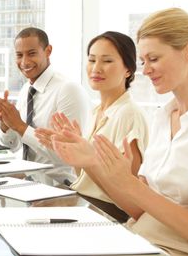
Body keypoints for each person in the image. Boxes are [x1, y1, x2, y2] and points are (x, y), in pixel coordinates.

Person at [53, 8, 188, 255]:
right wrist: (93, 163)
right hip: (141, 237)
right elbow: (139, 211)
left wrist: (130, 184)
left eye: (154, 59)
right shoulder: (163, 116)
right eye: (143, 61)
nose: (145, 71)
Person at [34, 31, 149, 222]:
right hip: (84, 202)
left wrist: (88, 159)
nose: (96, 68)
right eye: (92, 60)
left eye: (107, 61)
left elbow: (129, 193)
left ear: (128, 70)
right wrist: (75, 156)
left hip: (109, 214)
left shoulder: (129, 115)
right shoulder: (97, 112)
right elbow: (85, 179)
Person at [0, 27, 89, 183]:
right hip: (28, 183)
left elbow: (68, 154)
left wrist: (19, 125)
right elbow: (14, 146)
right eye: (19, 55)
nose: (24, 62)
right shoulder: (26, 90)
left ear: (48, 51)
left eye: (31, 53)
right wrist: (5, 124)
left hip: (61, 188)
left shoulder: (67, 89)